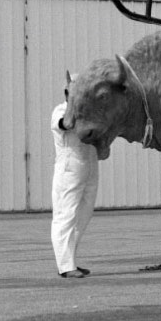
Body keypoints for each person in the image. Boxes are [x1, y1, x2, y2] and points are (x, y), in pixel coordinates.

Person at [51, 86, 106, 279]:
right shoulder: (60, 110)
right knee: (65, 214)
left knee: (83, 214)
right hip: (69, 166)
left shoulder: (91, 112)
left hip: (89, 164)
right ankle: (65, 266)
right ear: (67, 93)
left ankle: (70, 260)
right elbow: (65, 124)